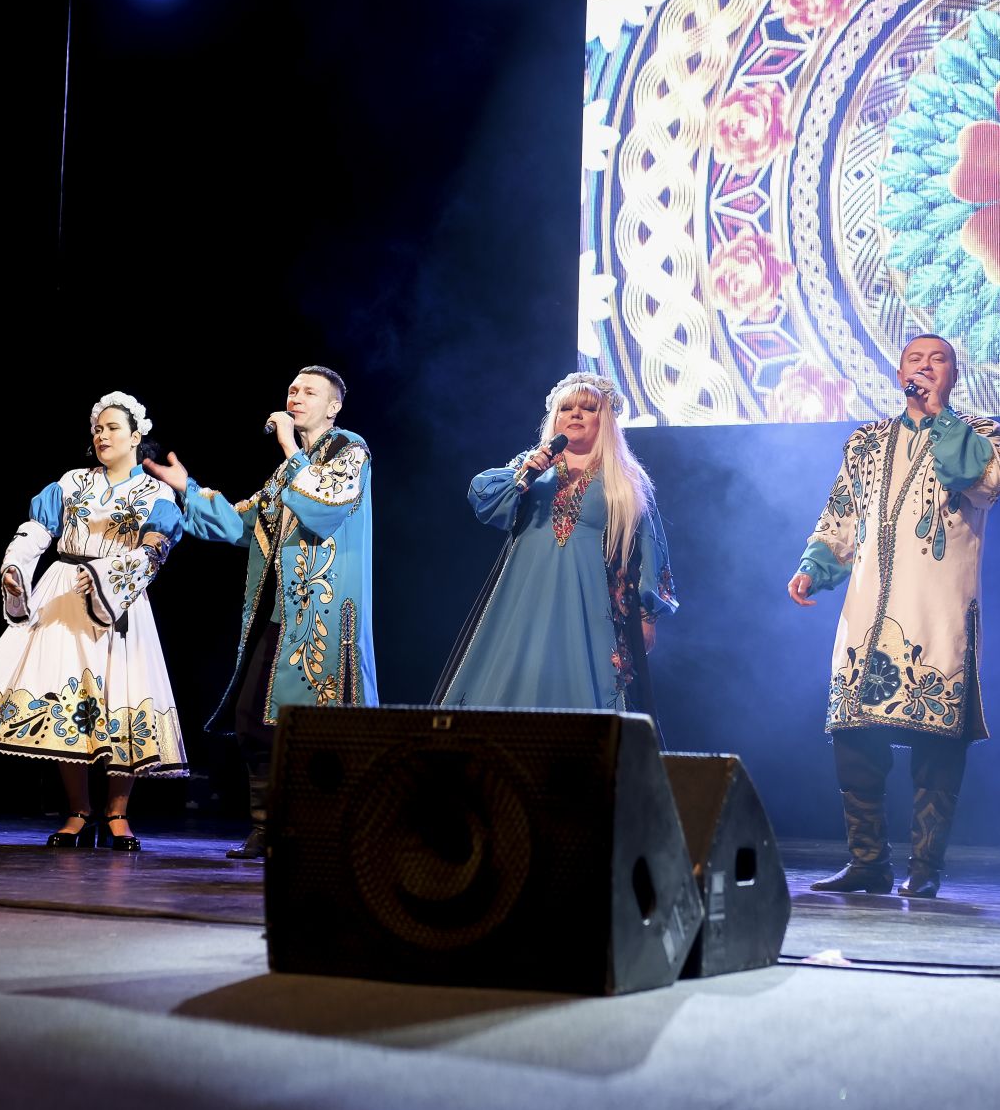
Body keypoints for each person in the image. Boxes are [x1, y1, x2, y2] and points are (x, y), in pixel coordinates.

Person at [788, 334, 1000, 898]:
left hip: (938, 610)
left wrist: (940, 419)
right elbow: (842, 513)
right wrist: (814, 566)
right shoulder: (865, 442)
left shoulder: (982, 436)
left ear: (954, 376)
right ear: (898, 374)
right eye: (916, 359)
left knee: (936, 741)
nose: (926, 367)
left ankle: (925, 868)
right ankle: (867, 862)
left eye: (939, 360)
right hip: (867, 609)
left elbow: (982, 483)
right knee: (854, 734)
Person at [144, 366, 377, 860]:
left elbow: (324, 506)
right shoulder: (286, 470)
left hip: (323, 614)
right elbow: (242, 523)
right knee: (253, 720)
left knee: (318, 726)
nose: (296, 397)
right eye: (293, 389)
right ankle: (268, 828)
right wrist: (188, 488)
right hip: (279, 613)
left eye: (309, 392)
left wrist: (290, 447)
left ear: (333, 407)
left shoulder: (349, 449)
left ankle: (328, 830)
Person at [0, 392, 186, 850]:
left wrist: (112, 575)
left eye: (113, 428)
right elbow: (37, 530)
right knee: (66, 701)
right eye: (97, 429)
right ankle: (78, 810)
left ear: (136, 436)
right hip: (64, 594)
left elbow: (156, 547)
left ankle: (118, 813)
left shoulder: (156, 491)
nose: (102, 435)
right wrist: (15, 567)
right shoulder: (72, 482)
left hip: (118, 598)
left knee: (121, 699)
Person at [434, 371, 677, 712]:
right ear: (555, 418)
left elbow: (650, 548)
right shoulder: (532, 465)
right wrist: (523, 475)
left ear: (605, 420)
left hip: (589, 599)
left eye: (588, 408)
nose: (576, 414)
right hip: (525, 592)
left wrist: (647, 617)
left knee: (585, 683)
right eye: (566, 408)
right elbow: (483, 498)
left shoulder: (625, 480)